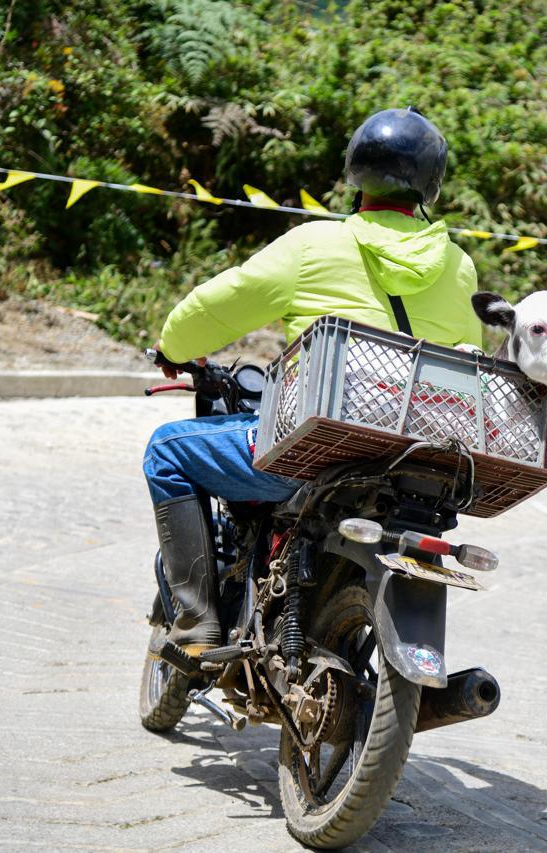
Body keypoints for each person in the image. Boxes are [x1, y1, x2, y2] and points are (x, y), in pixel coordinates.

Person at [143, 107, 483, 657]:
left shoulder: (314, 245)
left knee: (166, 452)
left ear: (355, 174)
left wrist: (173, 347)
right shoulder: (458, 265)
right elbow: (467, 354)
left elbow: (223, 300)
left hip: (315, 450)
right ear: (431, 185)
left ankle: (196, 619)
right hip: (411, 458)